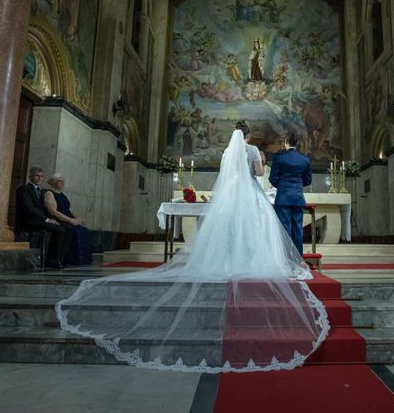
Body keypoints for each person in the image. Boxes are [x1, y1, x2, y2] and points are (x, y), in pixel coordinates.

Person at [56, 122, 329, 373]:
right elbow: (259, 173)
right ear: (247, 136)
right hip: (250, 192)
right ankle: (254, 258)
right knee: (256, 229)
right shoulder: (254, 150)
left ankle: (227, 259)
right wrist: (258, 166)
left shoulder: (226, 152)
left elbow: (226, 174)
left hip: (231, 192)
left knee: (230, 230)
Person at [16, 166, 72, 269]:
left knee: (65, 227)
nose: (39, 178)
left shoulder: (40, 191)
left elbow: (45, 209)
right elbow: (29, 209)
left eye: (41, 176)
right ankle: (52, 259)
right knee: (59, 230)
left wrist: (52, 219)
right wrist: (46, 219)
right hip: (29, 221)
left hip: (39, 220)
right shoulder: (24, 189)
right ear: (30, 176)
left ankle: (60, 258)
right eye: (37, 176)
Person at [269, 132, 312, 256]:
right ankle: (298, 259)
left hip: (283, 197)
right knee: (298, 228)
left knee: (284, 228)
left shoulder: (279, 157)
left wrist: (282, 186)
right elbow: (308, 180)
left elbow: (272, 178)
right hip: (298, 197)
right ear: (297, 143)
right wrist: (297, 186)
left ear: (286, 142)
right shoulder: (304, 159)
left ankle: (285, 259)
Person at [44, 174, 93, 266]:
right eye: (59, 181)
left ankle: (71, 259)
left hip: (67, 219)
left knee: (84, 231)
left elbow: (69, 210)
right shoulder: (49, 193)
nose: (62, 183)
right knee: (69, 229)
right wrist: (71, 221)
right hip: (59, 220)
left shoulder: (62, 195)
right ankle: (55, 259)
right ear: (53, 182)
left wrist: (77, 219)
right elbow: (53, 212)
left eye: (63, 181)